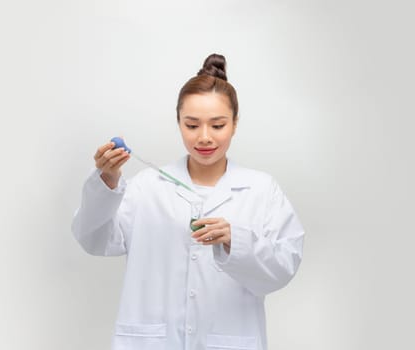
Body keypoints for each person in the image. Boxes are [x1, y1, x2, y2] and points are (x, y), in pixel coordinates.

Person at [71, 53, 305, 350]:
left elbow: (283, 267)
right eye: (192, 125)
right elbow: (93, 239)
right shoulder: (147, 188)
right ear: (178, 122)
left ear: (235, 124)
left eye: (217, 125)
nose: (204, 137)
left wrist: (237, 240)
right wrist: (107, 181)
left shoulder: (260, 189)